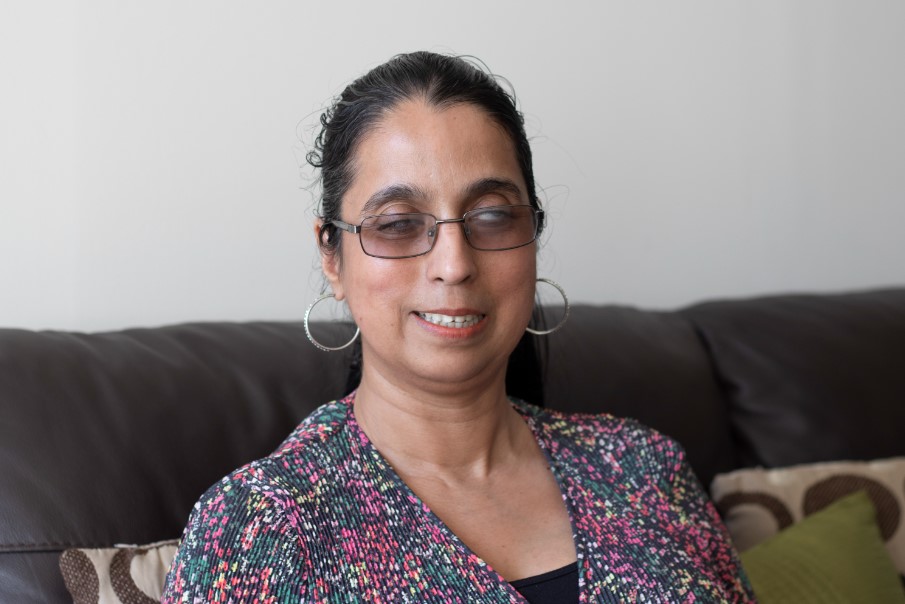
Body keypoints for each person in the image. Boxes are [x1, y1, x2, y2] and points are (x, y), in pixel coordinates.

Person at [162, 51, 754, 603]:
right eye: (396, 223)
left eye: (492, 216)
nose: (454, 264)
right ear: (331, 255)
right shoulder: (263, 523)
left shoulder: (643, 468)